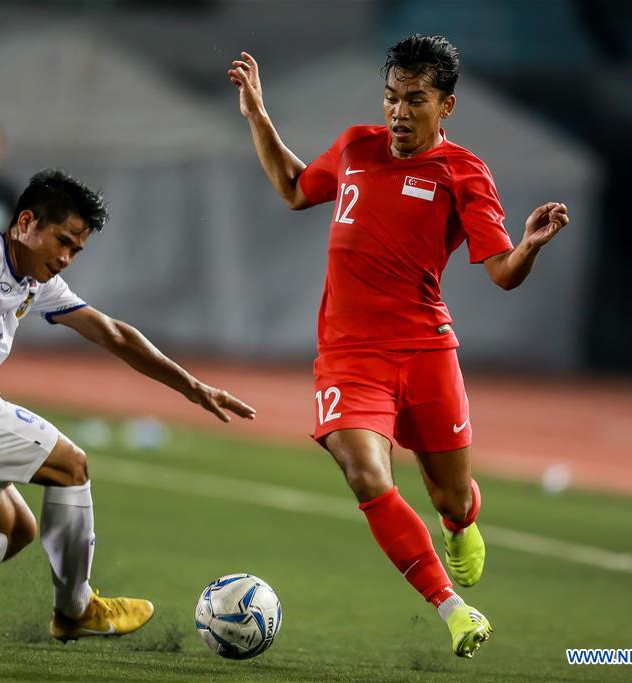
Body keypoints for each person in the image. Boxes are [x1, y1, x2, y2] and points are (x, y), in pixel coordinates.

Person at [228, 35, 569, 658]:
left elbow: (500, 272)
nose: (399, 112)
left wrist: (528, 247)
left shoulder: (463, 172)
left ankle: (460, 522)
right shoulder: (357, 146)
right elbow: (294, 186)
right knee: (364, 474)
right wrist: (257, 114)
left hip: (425, 351)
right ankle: (455, 611)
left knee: (451, 495)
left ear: (447, 106)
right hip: (349, 356)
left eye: (415, 100)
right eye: (391, 97)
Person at [0, 169, 256, 641]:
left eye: (75, 250)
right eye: (61, 241)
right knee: (71, 466)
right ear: (25, 222)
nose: (65, 258)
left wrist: (192, 387)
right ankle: (75, 609)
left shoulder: (35, 283)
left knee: (13, 529)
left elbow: (113, 333)